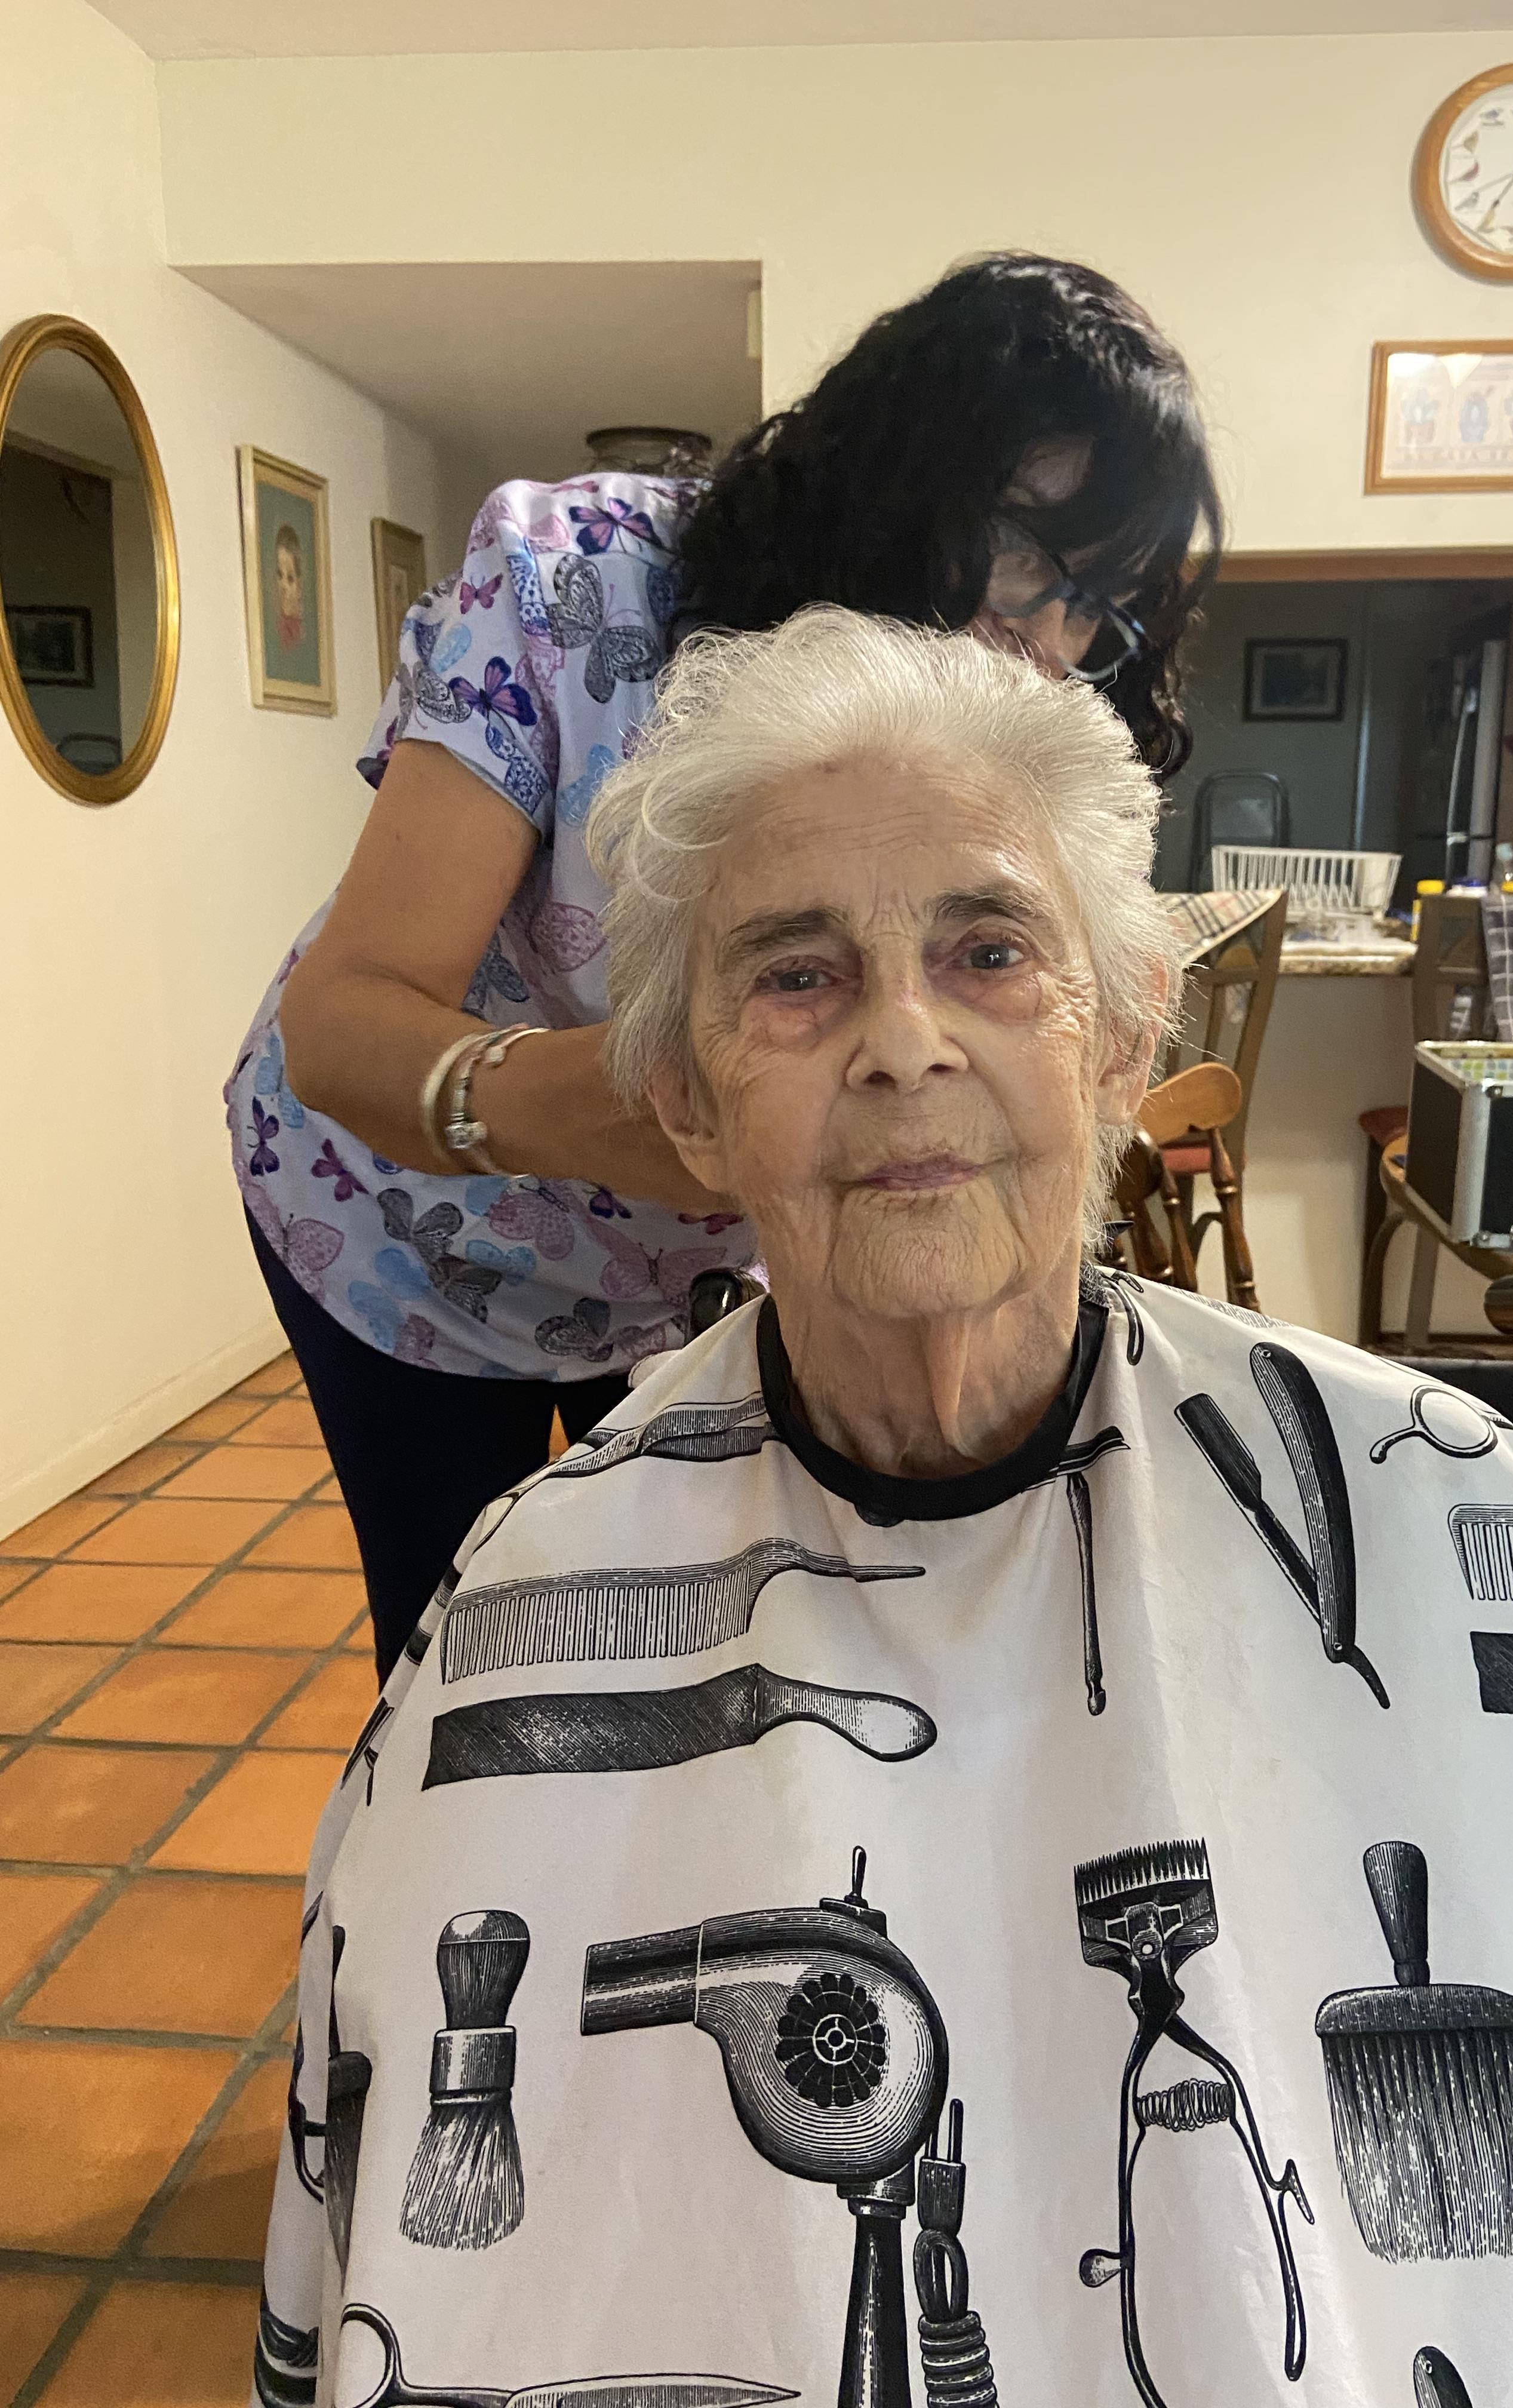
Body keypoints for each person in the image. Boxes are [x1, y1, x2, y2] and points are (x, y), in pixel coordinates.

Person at [262, 613, 1513, 2408]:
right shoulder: (539, 1587)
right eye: (797, 976)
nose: (905, 1042)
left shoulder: (1423, 1486)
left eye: (991, 951)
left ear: (1123, 1043)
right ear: (686, 1101)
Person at [226, 252, 1223, 1681]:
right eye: (1034, 563)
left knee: (700, 1644)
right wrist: (568, 1103)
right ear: (902, 469)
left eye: (1099, 615)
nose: (1046, 650)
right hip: (396, 1238)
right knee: (470, 1658)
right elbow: (345, 1021)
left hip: (684, 1280)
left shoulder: (1020, 715)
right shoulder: (579, 589)